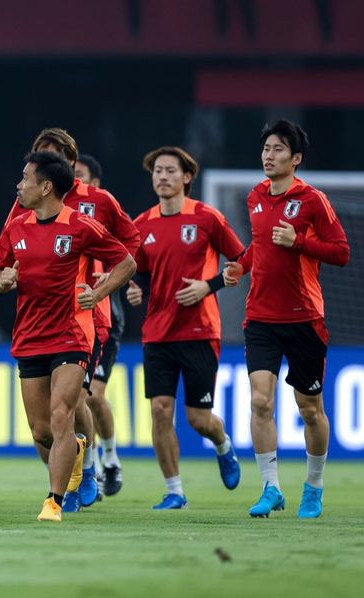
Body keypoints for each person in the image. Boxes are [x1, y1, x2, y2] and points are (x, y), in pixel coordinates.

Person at [0, 128, 140, 510]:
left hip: (74, 332)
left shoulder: (84, 220)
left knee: (65, 411)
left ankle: (55, 499)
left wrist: (99, 292)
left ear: (47, 185)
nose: (18, 185)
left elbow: (128, 259)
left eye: (25, 178)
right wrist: (3, 279)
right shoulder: (16, 224)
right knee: (42, 431)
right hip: (29, 334)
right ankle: (79, 455)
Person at [223, 120, 349, 519]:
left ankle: (313, 487)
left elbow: (340, 251)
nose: (268, 155)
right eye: (265, 148)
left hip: (304, 318)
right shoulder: (255, 196)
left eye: (278, 149)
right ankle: (271, 487)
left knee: (309, 408)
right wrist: (240, 267)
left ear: (295, 159)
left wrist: (299, 242)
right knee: (260, 400)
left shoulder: (312, 200)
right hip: (260, 316)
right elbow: (259, 247)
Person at [126, 146, 243, 510]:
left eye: (170, 171)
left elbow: (241, 260)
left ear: (187, 177)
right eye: (157, 171)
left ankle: (223, 445)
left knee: (198, 419)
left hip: (199, 330)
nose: (162, 177)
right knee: (160, 409)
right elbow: (141, 271)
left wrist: (209, 286)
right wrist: (136, 289)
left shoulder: (208, 218)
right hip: (157, 332)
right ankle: (175, 491)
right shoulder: (141, 224)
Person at [76, 152, 126, 495]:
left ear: (94, 183)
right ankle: (94, 463)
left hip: (105, 315)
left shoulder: (100, 211)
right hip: (71, 317)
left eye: (79, 174)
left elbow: (130, 249)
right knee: (79, 398)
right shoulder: (51, 213)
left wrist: (126, 280)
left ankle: (107, 459)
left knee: (92, 395)